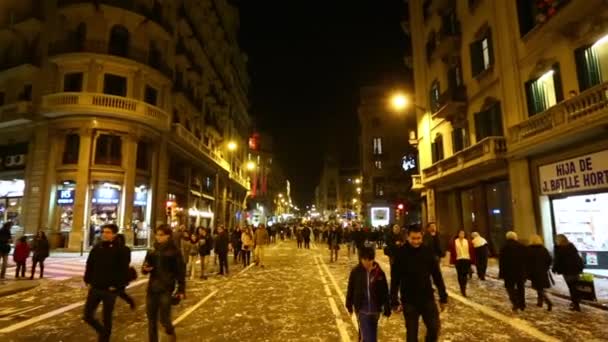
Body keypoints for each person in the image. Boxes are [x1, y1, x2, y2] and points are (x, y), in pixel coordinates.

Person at [391, 225, 447, 342]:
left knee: (434, 328)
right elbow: (395, 279)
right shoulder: (400, 253)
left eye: (419, 238)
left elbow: (437, 275)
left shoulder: (427, 251)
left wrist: (443, 297)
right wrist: (394, 301)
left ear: (422, 237)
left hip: (427, 297)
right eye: (413, 238)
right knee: (412, 335)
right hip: (409, 300)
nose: (416, 241)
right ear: (407, 237)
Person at [83, 224, 130, 342]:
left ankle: (104, 339)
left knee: (107, 317)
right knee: (87, 316)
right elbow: (90, 265)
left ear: (114, 234)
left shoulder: (122, 250)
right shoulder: (97, 248)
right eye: (103, 232)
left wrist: (117, 286)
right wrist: (87, 280)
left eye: (108, 232)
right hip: (95, 287)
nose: (105, 234)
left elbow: (123, 270)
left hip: (110, 290)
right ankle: (103, 333)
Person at [142, 224, 186, 342]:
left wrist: (181, 289)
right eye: (157, 234)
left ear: (168, 236)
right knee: (151, 320)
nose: (158, 237)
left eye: (161, 235)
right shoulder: (152, 250)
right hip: (152, 288)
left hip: (166, 289)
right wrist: (145, 269)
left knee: (164, 319)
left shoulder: (174, 252)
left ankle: (170, 331)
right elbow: (145, 267)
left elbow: (180, 271)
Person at [346, 246, 390, 342]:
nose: (367, 262)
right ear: (360, 258)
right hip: (362, 310)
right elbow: (350, 288)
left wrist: (387, 308)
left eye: (370, 259)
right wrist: (349, 304)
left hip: (375, 310)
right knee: (368, 338)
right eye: (364, 259)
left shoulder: (379, 272)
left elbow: (385, 291)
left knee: (372, 335)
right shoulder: (356, 272)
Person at [553, 234, 584, 311]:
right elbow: (578, 258)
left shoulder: (560, 249)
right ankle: (576, 302)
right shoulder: (571, 247)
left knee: (572, 287)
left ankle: (576, 304)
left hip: (567, 271)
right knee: (575, 286)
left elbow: (558, 261)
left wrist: (554, 269)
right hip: (576, 270)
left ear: (559, 240)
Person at [498, 231, 527, 312]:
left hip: (508, 272)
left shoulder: (503, 247)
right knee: (521, 287)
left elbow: (501, 262)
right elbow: (526, 260)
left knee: (509, 288)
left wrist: (501, 273)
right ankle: (522, 304)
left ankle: (515, 302)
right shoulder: (522, 246)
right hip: (520, 271)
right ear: (515, 237)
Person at [527, 234, 553, 311]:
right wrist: (546, 267)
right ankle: (540, 302)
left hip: (533, 271)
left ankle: (547, 301)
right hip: (543, 271)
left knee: (538, 287)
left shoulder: (529, 249)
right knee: (540, 286)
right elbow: (549, 260)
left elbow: (526, 261)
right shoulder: (543, 249)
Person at [449, 230, 475, 297]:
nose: (462, 234)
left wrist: (472, 260)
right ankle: (461, 287)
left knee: (465, 274)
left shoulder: (468, 241)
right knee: (460, 274)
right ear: (458, 234)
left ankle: (464, 288)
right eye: (460, 233)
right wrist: (451, 260)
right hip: (458, 260)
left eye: (463, 233)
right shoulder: (454, 241)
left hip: (466, 259)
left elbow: (472, 251)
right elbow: (451, 251)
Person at [114, 234, 136, 310]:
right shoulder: (126, 249)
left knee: (118, 291)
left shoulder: (121, 249)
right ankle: (130, 301)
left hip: (120, 274)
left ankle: (130, 300)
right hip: (121, 274)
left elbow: (126, 261)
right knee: (118, 291)